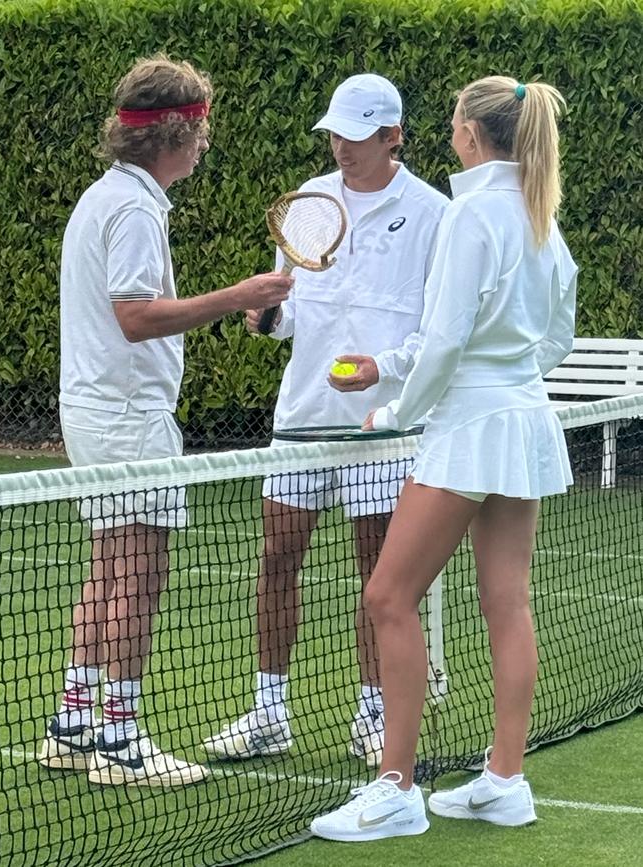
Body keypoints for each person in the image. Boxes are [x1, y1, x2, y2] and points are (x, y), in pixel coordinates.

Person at [310, 75, 577, 841]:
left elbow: (449, 340)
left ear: (469, 130)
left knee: (388, 595)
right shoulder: (538, 216)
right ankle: (505, 778)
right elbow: (552, 336)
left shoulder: (472, 214)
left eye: (455, 118)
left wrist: (397, 411)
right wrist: (487, 377)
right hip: (520, 419)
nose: (450, 127)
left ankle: (394, 788)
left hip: (470, 426)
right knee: (508, 600)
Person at [38, 55, 292, 787]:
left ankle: (73, 721)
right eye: (202, 128)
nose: (205, 144)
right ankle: (119, 738)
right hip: (125, 414)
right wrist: (236, 292)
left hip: (97, 407)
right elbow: (135, 316)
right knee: (140, 573)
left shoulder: (106, 197)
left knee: (110, 567)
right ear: (177, 133)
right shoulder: (136, 209)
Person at [204, 74, 448, 768]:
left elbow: (437, 330)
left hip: (380, 427)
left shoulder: (433, 213)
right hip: (302, 419)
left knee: (379, 573)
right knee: (277, 557)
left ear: (392, 135)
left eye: (357, 134)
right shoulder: (310, 203)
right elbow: (292, 310)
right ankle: (268, 711)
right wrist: (271, 320)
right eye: (336, 133)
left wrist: (384, 369)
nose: (342, 146)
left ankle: (372, 717)